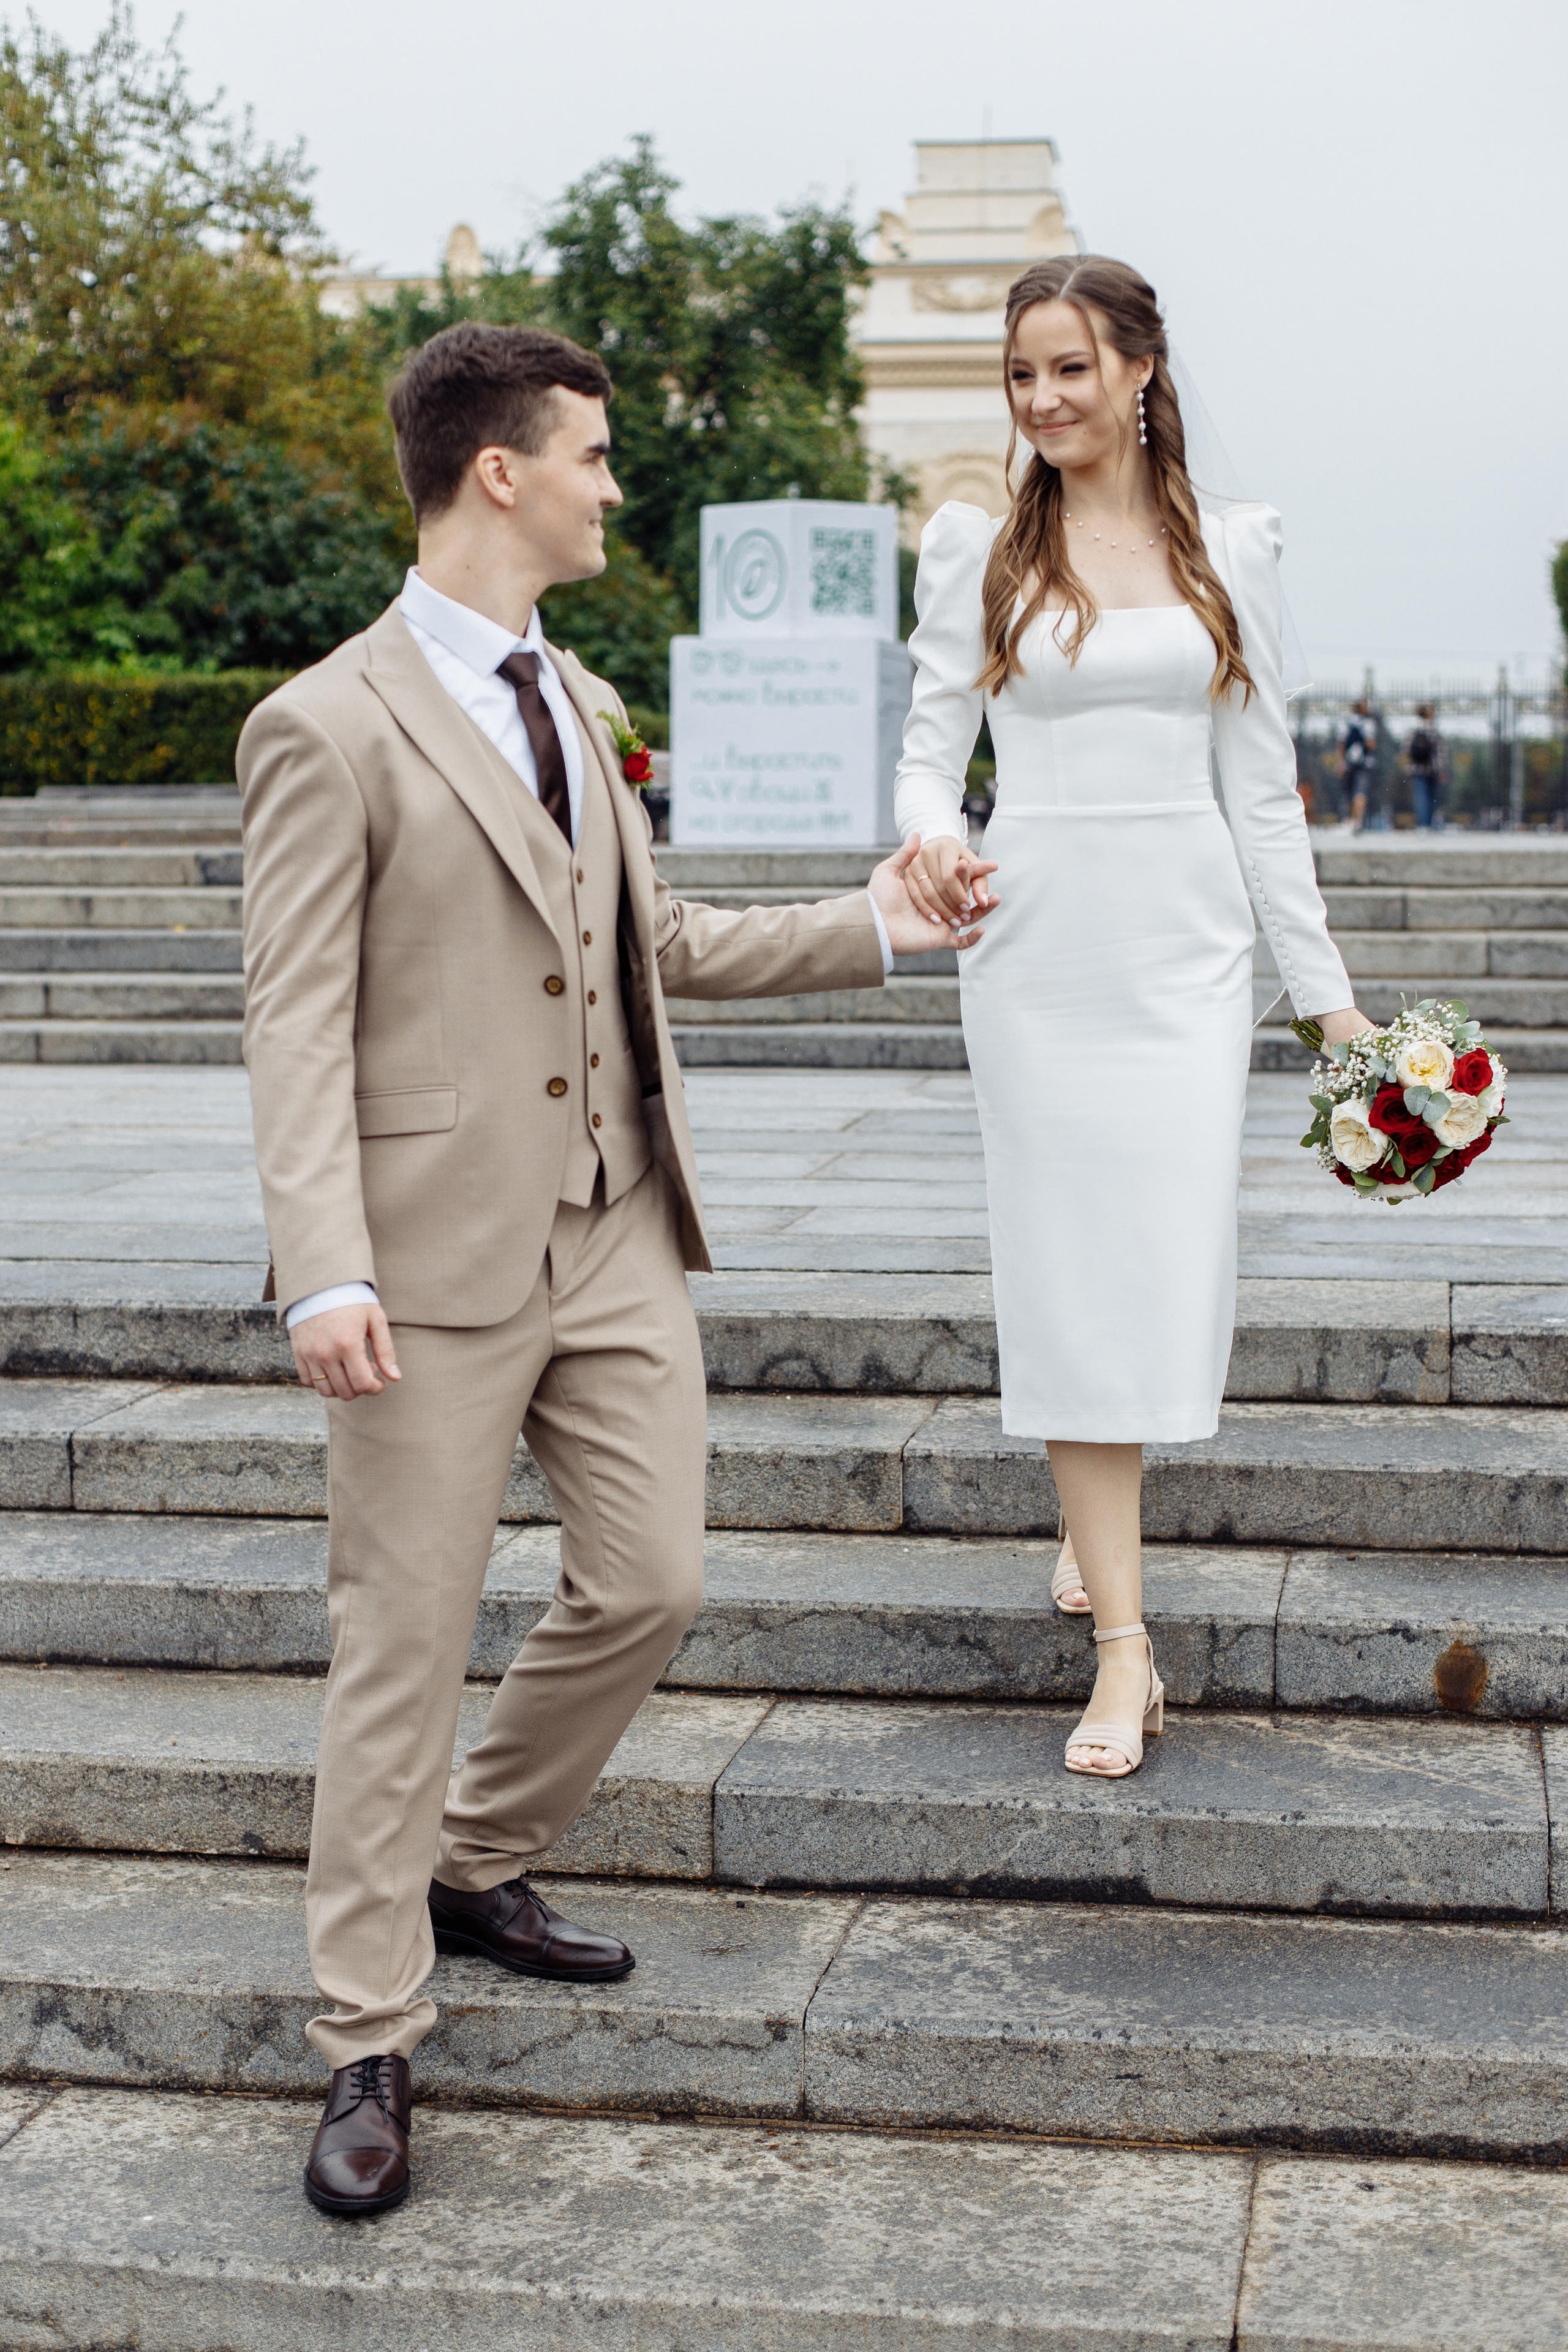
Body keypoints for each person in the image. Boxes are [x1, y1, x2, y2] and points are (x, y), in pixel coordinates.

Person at [237, 322, 990, 2218]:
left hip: (616, 1226)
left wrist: (873, 924)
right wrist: (323, 1265)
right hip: (424, 1262)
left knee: (649, 1578)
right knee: (397, 1643)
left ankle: (470, 1854)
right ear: (499, 470)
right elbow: (291, 1023)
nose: (606, 483)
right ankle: (364, 2032)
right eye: (587, 452)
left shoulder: (567, 695)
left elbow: (655, 943)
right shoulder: (324, 723)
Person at [894, 255, 1369, 1779]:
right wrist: (928, 836)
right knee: (1063, 1273)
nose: (1040, 400)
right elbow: (925, 753)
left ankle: (1087, 1519)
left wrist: (1329, 1006)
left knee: (1153, 1267)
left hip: (1180, 954)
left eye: (1068, 369)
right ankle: (1122, 1647)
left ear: (1139, 370)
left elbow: (1263, 795)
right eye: (1020, 374)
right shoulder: (977, 547)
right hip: (1033, 950)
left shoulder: (1230, 546)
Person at [1338, 698, 1379, 831]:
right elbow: (1371, 745)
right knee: (1361, 793)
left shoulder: (1346, 722)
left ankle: (1349, 820)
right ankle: (1358, 822)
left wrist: (1341, 762)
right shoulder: (1369, 724)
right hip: (1365, 764)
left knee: (1348, 793)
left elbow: (1341, 745)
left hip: (1349, 764)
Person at [1406, 703, 1444, 828]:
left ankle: (1422, 824)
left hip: (1417, 768)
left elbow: (1406, 750)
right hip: (1432, 768)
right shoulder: (1433, 729)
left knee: (1420, 796)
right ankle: (1428, 823)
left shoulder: (1414, 729)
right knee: (1431, 798)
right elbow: (1440, 751)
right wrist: (1442, 769)